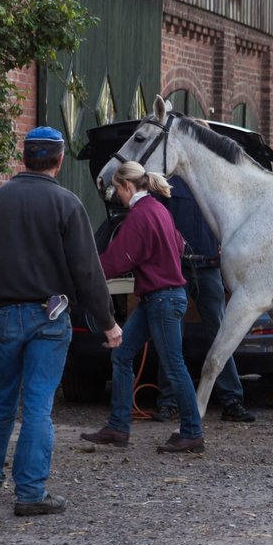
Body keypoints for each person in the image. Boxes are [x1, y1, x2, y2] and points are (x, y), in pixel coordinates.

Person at [0, 126, 122, 517]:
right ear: (59, 160)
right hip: (49, 318)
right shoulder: (67, 204)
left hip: (3, 315)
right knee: (36, 406)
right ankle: (30, 493)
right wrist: (108, 321)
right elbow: (87, 270)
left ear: (25, 157)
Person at [80, 161, 205, 454]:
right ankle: (118, 427)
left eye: (117, 191)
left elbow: (117, 259)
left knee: (174, 367)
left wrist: (85, 273)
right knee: (122, 354)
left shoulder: (139, 216)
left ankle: (192, 433)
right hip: (163, 297)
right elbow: (176, 246)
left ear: (127, 185)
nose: (118, 197)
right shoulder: (159, 210)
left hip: (160, 299)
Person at [153, 175, 254, 424]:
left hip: (210, 268)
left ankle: (231, 400)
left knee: (222, 334)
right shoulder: (166, 182)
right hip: (176, 269)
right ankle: (169, 401)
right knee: (171, 335)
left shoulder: (216, 182)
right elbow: (157, 222)